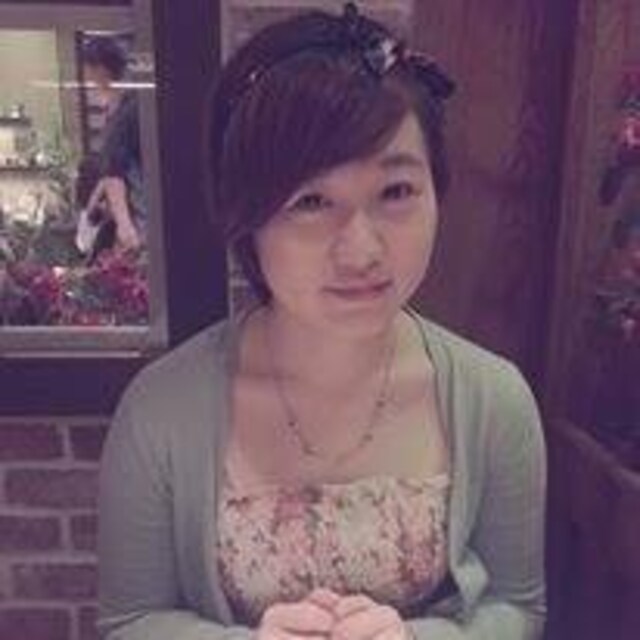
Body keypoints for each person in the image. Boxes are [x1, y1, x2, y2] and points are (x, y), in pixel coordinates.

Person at [98, 4, 546, 639]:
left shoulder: (494, 400)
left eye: (396, 192)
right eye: (310, 201)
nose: (361, 251)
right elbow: (130, 621)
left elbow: (517, 606)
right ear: (248, 217)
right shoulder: (161, 410)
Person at [81, 36, 144, 252]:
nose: (88, 78)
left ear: (100, 69)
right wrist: (98, 195)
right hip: (136, 207)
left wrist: (124, 225)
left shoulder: (126, 110)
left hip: (140, 214)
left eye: (88, 70)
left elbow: (114, 169)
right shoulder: (125, 104)